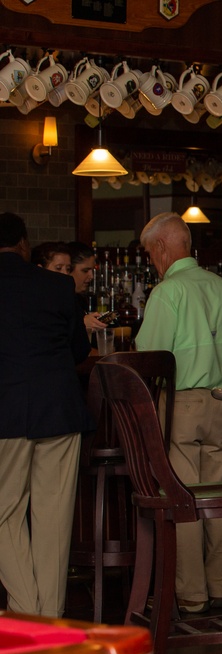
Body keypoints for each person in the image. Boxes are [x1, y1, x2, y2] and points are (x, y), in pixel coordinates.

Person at [134, 212, 222, 614]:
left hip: (182, 401)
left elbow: (149, 356)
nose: (152, 262)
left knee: (182, 496)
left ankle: (191, 593)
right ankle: (220, 587)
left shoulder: (168, 292)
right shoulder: (221, 288)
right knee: (220, 495)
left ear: (162, 247)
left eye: (150, 254)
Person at [0, 212, 91, 617]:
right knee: (54, 522)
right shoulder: (58, 286)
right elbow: (78, 351)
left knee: (3, 514)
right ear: (23, 245)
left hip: (5, 413)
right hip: (60, 409)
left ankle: (26, 612)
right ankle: (47, 620)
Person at [67, 241, 107, 335]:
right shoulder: (54, 302)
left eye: (92, 270)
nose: (91, 276)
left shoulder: (79, 300)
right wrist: (81, 323)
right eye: (85, 271)